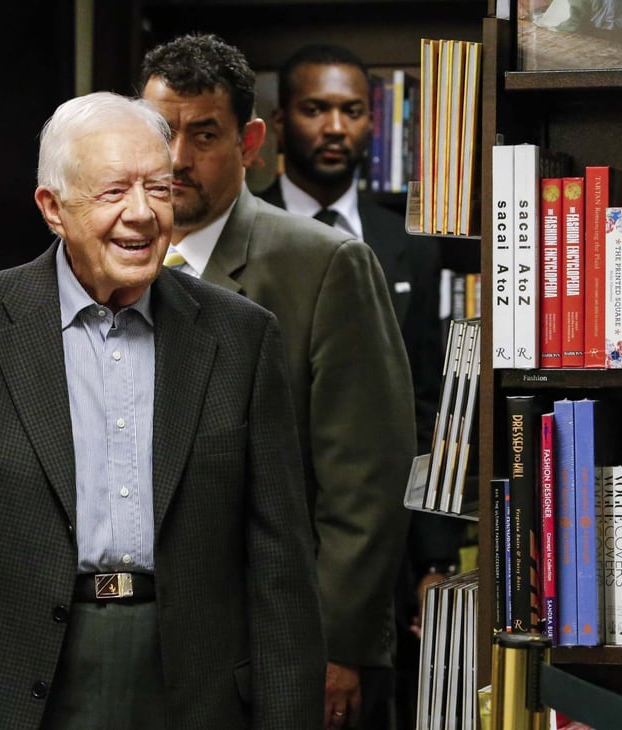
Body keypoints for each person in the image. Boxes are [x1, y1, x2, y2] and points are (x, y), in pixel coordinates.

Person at [0, 91, 325, 730]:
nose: (143, 214)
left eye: (158, 188)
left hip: (190, 687)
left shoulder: (240, 338)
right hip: (8, 687)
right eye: (113, 191)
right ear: (53, 209)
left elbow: (280, 567)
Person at [140, 33, 415, 730]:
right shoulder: (107, 260)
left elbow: (366, 479)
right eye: (159, 133)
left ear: (251, 141)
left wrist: (339, 646)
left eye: (203, 135)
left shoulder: (324, 264)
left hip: (279, 643)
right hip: (140, 647)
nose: (176, 159)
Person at [256, 43, 466, 729]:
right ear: (282, 122)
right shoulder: (240, 229)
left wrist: (435, 555)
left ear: (374, 124)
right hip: (265, 526)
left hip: (384, 541)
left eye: (351, 111)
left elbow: (430, 405)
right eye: (316, 109)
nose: (335, 127)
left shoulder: (407, 236)